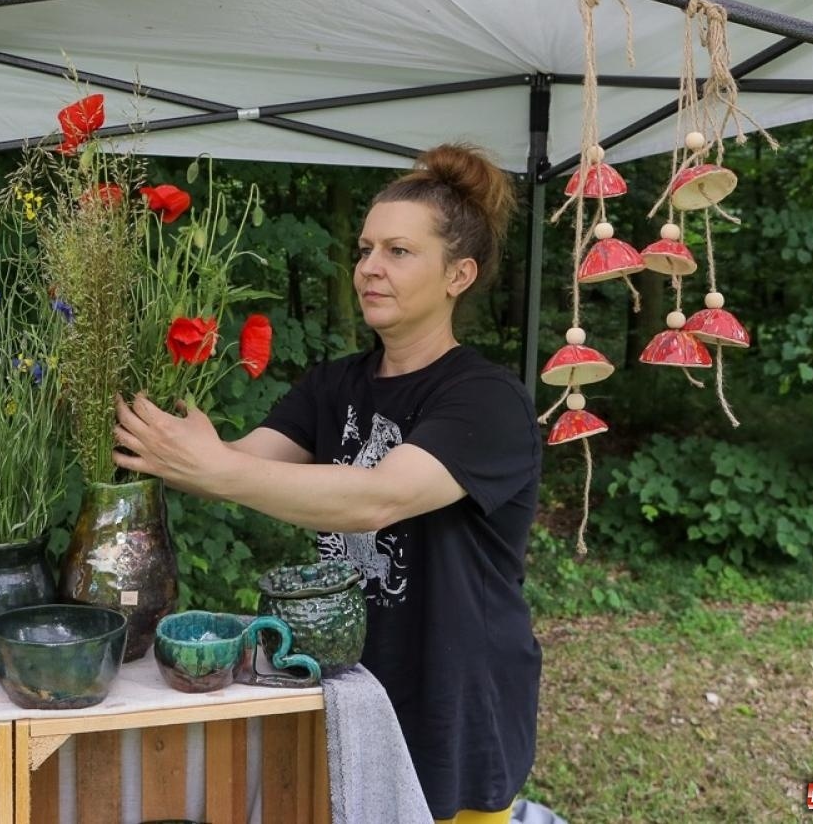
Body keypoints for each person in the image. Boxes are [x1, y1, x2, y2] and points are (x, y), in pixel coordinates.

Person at [114, 143, 543, 824]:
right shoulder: (334, 385)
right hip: (346, 687)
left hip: (455, 705)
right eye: (366, 248)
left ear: (459, 273)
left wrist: (217, 468)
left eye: (398, 252)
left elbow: (381, 497)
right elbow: (244, 464)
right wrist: (154, 426)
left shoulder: (486, 400)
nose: (369, 268)